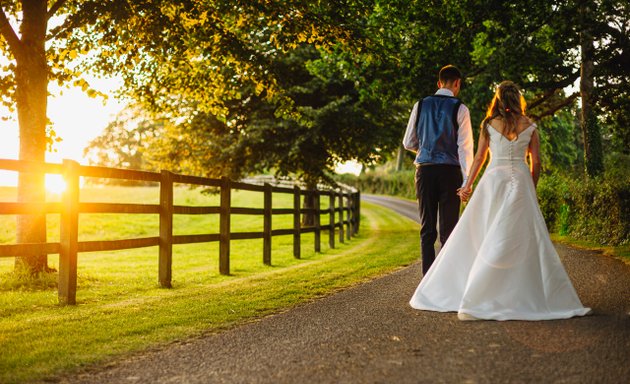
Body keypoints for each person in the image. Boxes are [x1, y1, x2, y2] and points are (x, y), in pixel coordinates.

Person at [409, 81, 592, 321]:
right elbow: (536, 163)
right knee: (521, 236)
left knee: (484, 232)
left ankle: (479, 289)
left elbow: (479, 159)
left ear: (498, 99)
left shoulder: (488, 125)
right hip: (520, 180)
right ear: (518, 99)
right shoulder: (530, 126)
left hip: (494, 181)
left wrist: (467, 185)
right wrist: (531, 187)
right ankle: (517, 290)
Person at [402, 65, 474, 275]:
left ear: (439, 82)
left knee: (427, 229)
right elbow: (465, 148)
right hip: (450, 173)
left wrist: (426, 147)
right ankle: (445, 281)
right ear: (457, 83)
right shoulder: (460, 108)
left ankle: (426, 280)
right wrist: (466, 181)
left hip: (424, 171)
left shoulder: (420, 105)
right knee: (448, 231)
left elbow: (408, 142)